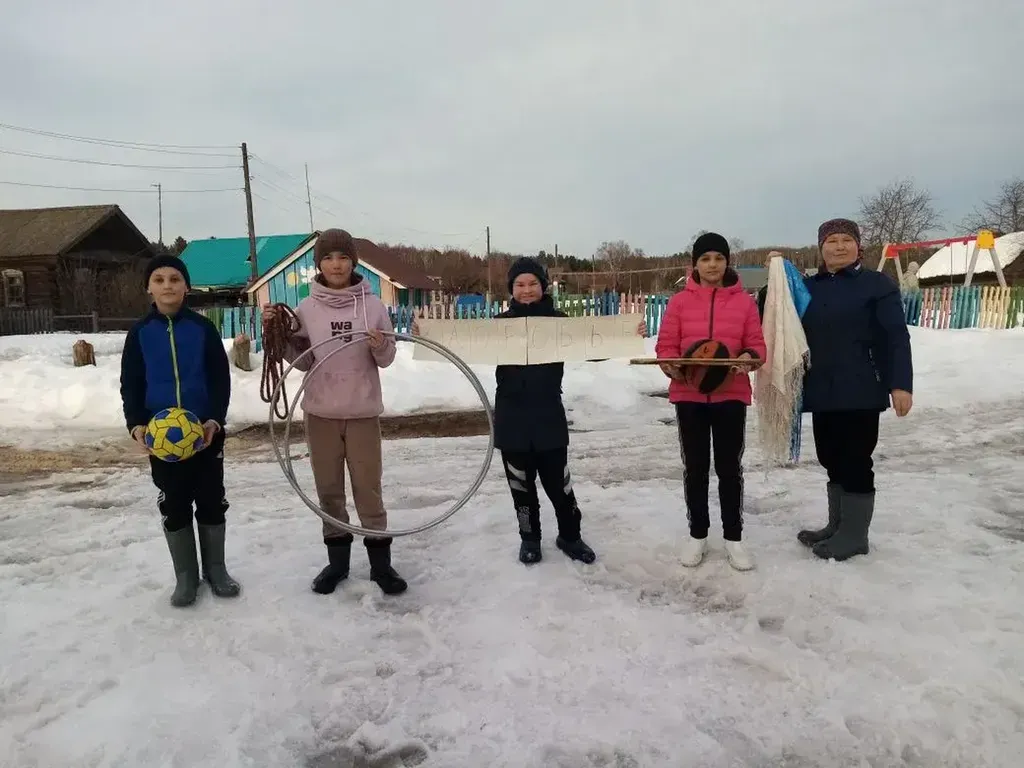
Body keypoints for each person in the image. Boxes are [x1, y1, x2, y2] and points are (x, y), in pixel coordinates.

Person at [413, 257, 645, 565]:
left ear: (543, 286)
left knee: (560, 486)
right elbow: (462, 344)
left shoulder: (560, 322)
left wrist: (629, 333)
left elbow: (594, 346)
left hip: (549, 416)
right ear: (511, 289)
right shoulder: (499, 325)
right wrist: (427, 335)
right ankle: (530, 538)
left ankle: (570, 536)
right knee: (520, 486)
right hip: (512, 419)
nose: (526, 290)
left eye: (533, 283)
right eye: (520, 284)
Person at [262, 228, 407, 596]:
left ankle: (381, 567)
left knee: (368, 490)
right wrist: (278, 336)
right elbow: (303, 361)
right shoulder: (306, 309)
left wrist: (379, 346)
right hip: (321, 413)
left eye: (343, 257)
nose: (336, 264)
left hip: (362, 412)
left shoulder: (373, 306)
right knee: (329, 491)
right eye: (327, 258)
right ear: (319, 265)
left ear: (353, 262)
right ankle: (337, 565)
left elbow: (387, 358)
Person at [120, 254, 240, 608]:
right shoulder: (140, 333)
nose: (167, 286)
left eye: (174, 279)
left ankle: (216, 570)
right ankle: (186, 577)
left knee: (211, 499)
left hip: (204, 434)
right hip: (161, 441)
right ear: (148, 288)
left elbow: (219, 380)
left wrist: (214, 419)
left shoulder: (203, 329)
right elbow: (131, 384)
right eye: (159, 280)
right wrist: (136, 424)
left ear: (187, 286)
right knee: (174, 503)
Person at [796, 218, 913, 561]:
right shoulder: (808, 287)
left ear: (858, 246)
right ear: (821, 248)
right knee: (830, 457)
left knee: (855, 459)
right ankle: (838, 526)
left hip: (861, 385)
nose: (839, 246)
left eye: (846, 240)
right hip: (821, 386)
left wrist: (900, 384)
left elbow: (896, 337)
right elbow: (778, 315)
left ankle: (855, 536)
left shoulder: (876, 284)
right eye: (832, 240)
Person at [655, 232, 767, 571]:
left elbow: (757, 346)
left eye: (718, 258)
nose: (712, 264)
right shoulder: (679, 302)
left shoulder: (745, 303)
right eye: (705, 259)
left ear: (727, 262)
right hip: (689, 396)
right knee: (695, 467)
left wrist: (747, 358)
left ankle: (734, 537)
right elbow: (666, 346)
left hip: (730, 394)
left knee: (729, 467)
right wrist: (671, 366)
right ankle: (697, 534)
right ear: (695, 264)